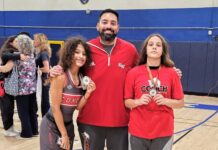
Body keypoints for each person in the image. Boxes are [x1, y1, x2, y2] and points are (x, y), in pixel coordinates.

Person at [50, 9, 182, 150]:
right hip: (89, 121)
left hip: (121, 122)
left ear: (118, 27)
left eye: (113, 23)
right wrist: (56, 69)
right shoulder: (87, 49)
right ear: (98, 26)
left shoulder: (129, 50)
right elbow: (71, 67)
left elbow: (145, 70)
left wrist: (170, 71)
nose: (109, 26)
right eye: (105, 22)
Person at [124, 33, 184, 150]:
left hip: (163, 131)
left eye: (158, 45)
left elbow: (180, 103)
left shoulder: (172, 73)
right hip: (138, 130)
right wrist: (138, 102)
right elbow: (127, 101)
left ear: (163, 50)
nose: (154, 47)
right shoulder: (133, 73)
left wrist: (165, 101)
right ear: (145, 50)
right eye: (150, 45)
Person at [40, 37, 96, 150]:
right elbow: (55, 108)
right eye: (77, 52)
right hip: (52, 125)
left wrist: (88, 93)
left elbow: (78, 107)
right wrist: (64, 134)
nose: (81, 56)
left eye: (84, 54)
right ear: (69, 53)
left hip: (68, 126)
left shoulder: (81, 78)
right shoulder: (60, 75)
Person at [0, 35, 29, 136]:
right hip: (3, 83)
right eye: (16, 41)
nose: (18, 43)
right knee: (6, 107)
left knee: (10, 106)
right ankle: (7, 129)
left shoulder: (14, 52)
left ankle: (10, 127)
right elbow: (5, 56)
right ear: (11, 42)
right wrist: (19, 56)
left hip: (9, 83)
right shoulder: (8, 51)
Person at [34, 33, 52, 117]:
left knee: (45, 101)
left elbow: (47, 68)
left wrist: (35, 69)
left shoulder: (43, 53)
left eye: (35, 39)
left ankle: (47, 119)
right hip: (41, 79)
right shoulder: (40, 52)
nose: (34, 41)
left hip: (44, 80)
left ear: (40, 41)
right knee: (43, 100)